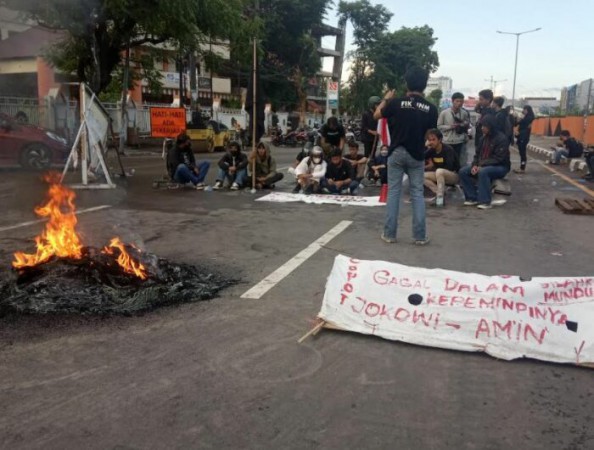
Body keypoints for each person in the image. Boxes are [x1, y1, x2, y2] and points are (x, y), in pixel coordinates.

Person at [373, 66, 438, 245]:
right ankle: (419, 236)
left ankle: (389, 234)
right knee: (417, 193)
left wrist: (386, 99)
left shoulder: (396, 103)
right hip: (417, 153)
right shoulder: (431, 109)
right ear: (424, 85)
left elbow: (377, 115)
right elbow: (428, 133)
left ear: (406, 83)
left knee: (394, 192)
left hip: (396, 152)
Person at [458, 115, 510, 209]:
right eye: (482, 126)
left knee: (483, 172)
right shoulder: (482, 139)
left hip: (500, 167)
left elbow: (499, 158)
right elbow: (477, 156)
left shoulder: (501, 139)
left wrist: (481, 166)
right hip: (483, 165)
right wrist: (474, 165)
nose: (482, 128)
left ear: (491, 126)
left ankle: (485, 201)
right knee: (463, 171)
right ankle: (472, 197)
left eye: (484, 126)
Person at [423, 129, 460, 207]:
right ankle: (439, 192)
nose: (431, 142)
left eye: (433, 139)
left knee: (439, 171)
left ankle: (440, 199)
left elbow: (449, 167)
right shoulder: (432, 150)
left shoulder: (447, 149)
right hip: (439, 174)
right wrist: (425, 146)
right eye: (429, 140)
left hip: (453, 175)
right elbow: (421, 157)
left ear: (440, 140)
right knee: (421, 176)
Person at [437, 92, 470, 165]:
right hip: (447, 141)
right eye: (457, 101)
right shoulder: (444, 113)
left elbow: (467, 126)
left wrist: (463, 125)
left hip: (460, 141)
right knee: (448, 162)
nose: (459, 103)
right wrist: (450, 127)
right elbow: (439, 126)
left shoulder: (464, 113)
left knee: (459, 162)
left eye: (461, 101)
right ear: (452, 101)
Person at [514, 105, 535, 173]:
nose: (523, 111)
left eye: (524, 109)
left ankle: (522, 168)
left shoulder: (529, 117)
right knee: (521, 152)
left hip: (524, 137)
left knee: (523, 153)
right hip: (522, 136)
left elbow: (520, 122)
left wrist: (519, 118)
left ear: (527, 110)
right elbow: (518, 123)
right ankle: (521, 167)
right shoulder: (526, 117)